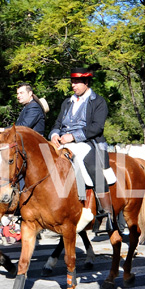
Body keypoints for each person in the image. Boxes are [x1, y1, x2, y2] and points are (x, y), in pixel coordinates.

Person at [48, 67, 117, 231]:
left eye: (77, 82)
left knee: (94, 169)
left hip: (88, 142)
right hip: (63, 142)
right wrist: (54, 135)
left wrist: (72, 137)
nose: (73, 85)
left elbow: (97, 127)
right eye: (72, 82)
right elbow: (58, 123)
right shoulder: (67, 102)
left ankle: (107, 213)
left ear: (86, 82)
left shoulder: (98, 101)